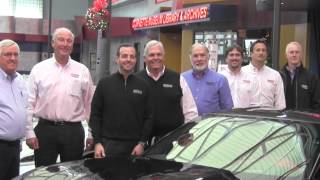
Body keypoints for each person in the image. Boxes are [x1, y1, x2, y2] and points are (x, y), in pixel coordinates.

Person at [26, 27, 94, 167]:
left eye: (69, 41)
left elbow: (90, 104)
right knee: (43, 173)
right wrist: (28, 132)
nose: (65, 44)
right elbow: (28, 103)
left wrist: (91, 133)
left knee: (73, 173)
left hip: (73, 132)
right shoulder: (39, 69)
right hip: (45, 130)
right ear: (53, 43)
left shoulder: (82, 71)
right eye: (61, 40)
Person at [90, 44, 153, 158]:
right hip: (107, 146)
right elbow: (95, 115)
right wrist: (97, 143)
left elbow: (149, 117)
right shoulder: (104, 84)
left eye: (132, 56)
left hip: (135, 147)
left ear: (135, 60)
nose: (128, 59)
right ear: (117, 59)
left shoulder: (144, 85)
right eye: (124, 56)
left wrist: (142, 143)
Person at [136, 40, 198, 141]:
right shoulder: (136, 80)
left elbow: (190, 111)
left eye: (159, 54)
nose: (156, 58)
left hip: (174, 141)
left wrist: (188, 134)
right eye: (151, 55)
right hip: (142, 142)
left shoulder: (178, 78)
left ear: (164, 57)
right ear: (144, 58)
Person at [0, 39, 27, 179]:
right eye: (8, 54)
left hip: (15, 146)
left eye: (16, 55)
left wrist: (20, 140)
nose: (13, 58)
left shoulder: (20, 81)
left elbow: (23, 109)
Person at [182, 43, 233, 115]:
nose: (199, 59)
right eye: (195, 56)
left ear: (208, 57)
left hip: (211, 125)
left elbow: (227, 109)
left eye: (202, 55)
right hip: (187, 125)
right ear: (190, 58)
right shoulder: (182, 78)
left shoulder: (220, 80)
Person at [242, 39, 286, 110]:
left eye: (263, 50)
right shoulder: (242, 73)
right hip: (246, 117)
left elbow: (280, 102)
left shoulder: (275, 75)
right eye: (258, 50)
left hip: (268, 117)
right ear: (251, 53)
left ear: (266, 54)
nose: (261, 53)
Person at [279, 41, 320, 111]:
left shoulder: (312, 78)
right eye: (291, 52)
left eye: (297, 52)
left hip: (302, 120)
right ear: (286, 55)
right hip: (281, 120)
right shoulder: (279, 76)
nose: (294, 55)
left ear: (301, 55)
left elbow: (317, 104)